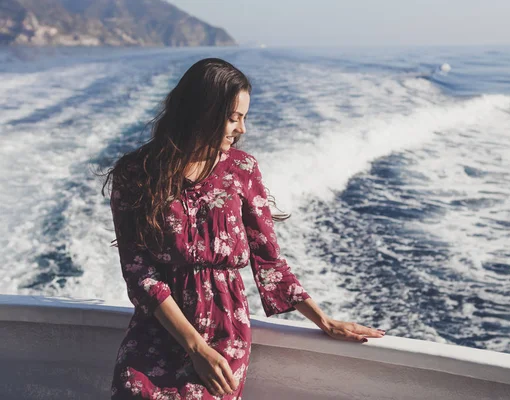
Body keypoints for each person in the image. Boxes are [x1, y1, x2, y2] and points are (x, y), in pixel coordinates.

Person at [102, 58, 386, 399]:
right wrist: (194, 347)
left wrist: (323, 320)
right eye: (233, 117)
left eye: (244, 118)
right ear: (200, 111)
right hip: (159, 329)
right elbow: (140, 273)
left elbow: (269, 262)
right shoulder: (135, 174)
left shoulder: (242, 170)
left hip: (224, 331)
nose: (242, 129)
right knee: (132, 390)